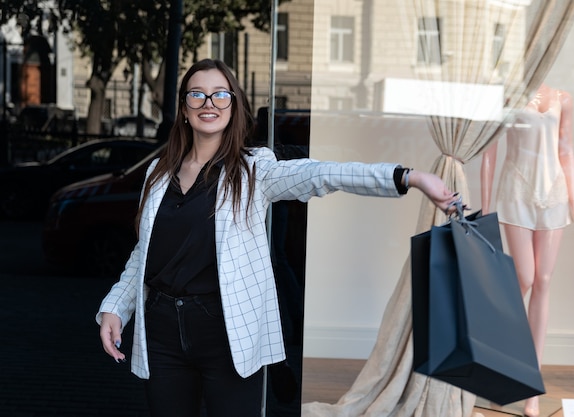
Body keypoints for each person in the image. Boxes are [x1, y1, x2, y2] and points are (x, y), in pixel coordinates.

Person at [96, 58, 458, 417]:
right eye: (198, 95)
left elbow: (324, 174)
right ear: (184, 109)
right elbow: (145, 252)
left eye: (220, 95)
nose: (209, 104)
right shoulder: (158, 175)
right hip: (161, 333)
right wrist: (115, 307)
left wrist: (408, 177)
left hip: (226, 331)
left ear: (234, 105)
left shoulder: (255, 170)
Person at [481, 83, 574, 417]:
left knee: (543, 281)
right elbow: (489, 152)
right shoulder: (506, 95)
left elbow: (566, 151)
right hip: (516, 189)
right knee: (525, 277)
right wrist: (486, 206)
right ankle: (498, 367)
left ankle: (531, 390)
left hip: (554, 193)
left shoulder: (564, 97)